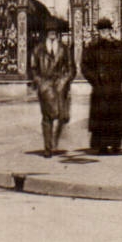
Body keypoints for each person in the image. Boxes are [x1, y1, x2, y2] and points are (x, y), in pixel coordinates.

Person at [82, 17, 122, 154]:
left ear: (111, 30)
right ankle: (103, 146)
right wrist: (94, 79)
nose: (104, 32)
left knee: (116, 116)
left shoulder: (119, 46)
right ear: (98, 32)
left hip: (116, 86)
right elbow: (85, 66)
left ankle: (116, 144)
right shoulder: (92, 47)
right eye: (101, 30)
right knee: (102, 117)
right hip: (100, 87)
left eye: (107, 29)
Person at [27, 21, 75, 156]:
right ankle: (48, 148)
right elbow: (33, 69)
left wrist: (64, 80)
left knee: (62, 116)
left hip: (60, 87)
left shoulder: (64, 49)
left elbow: (71, 69)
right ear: (46, 34)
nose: (52, 34)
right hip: (46, 87)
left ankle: (55, 141)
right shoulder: (38, 50)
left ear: (57, 34)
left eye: (54, 32)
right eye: (49, 32)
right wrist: (40, 82)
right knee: (47, 118)